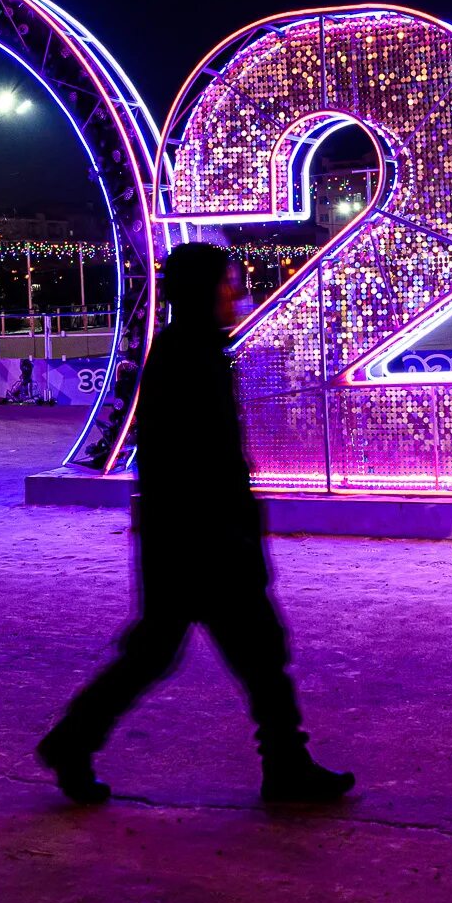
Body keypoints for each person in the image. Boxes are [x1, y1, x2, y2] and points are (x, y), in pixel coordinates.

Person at [38, 243, 353, 806]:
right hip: (202, 542)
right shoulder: (188, 357)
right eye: (229, 283)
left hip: (186, 538)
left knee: (176, 655)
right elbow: (190, 461)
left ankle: (74, 740)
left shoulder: (193, 350)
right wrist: (231, 535)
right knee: (253, 655)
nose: (237, 293)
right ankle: (285, 768)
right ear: (205, 291)